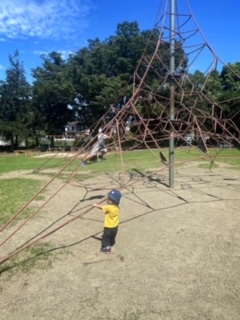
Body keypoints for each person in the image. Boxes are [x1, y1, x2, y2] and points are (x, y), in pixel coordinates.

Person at [93, 189, 122, 254]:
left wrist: (95, 205)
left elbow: (102, 207)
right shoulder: (117, 207)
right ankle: (112, 242)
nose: (107, 199)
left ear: (113, 201)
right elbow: (107, 205)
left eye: (109, 199)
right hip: (115, 226)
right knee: (112, 235)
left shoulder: (109, 207)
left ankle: (107, 249)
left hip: (108, 227)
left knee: (105, 238)